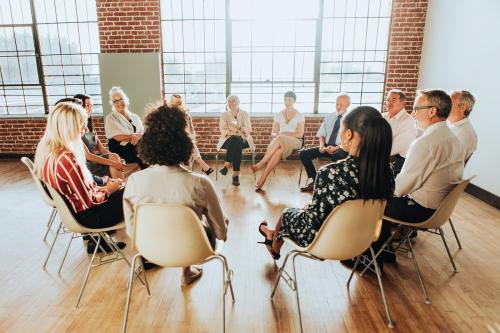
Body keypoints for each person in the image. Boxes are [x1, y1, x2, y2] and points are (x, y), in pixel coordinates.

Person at [258, 106, 394, 261]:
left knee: (286, 214)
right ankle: (271, 234)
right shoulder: (387, 172)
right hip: (363, 242)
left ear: (348, 134)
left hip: (327, 244)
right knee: (307, 207)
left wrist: (308, 208)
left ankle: (273, 246)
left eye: (342, 129)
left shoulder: (331, 173)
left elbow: (313, 221)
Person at [123, 103, 229, 285]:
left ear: (147, 144)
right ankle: (186, 272)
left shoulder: (134, 181)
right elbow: (220, 233)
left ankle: (185, 270)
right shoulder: (200, 183)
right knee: (215, 219)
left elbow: (132, 231)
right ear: (185, 144)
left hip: (150, 250)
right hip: (194, 250)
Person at [373, 89, 464, 264]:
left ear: (432, 111)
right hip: (440, 210)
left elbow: (399, 189)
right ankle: (384, 250)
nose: (413, 113)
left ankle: (375, 255)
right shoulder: (453, 138)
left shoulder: (425, 143)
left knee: (372, 199)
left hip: (421, 210)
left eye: (416, 108)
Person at [34, 101, 126, 253]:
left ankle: (100, 242)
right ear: (68, 127)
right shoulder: (67, 159)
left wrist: (104, 185)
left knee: (127, 190)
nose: (85, 129)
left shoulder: (49, 152)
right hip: (90, 218)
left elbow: (82, 190)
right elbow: (89, 202)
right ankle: (149, 251)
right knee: (135, 192)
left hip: (76, 214)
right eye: (82, 125)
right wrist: (109, 189)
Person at [252, 91, 305, 191]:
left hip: (295, 141)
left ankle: (261, 163)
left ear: (294, 101)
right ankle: (262, 179)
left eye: (289, 99)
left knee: (280, 138)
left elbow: (300, 134)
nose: (287, 101)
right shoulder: (278, 114)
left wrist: (283, 134)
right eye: (285, 99)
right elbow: (273, 132)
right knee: (278, 152)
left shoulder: (300, 115)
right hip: (280, 142)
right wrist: (278, 135)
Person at [299, 93, 350, 192]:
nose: (338, 107)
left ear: (348, 105)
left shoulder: (351, 119)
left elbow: (351, 140)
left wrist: (337, 147)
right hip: (326, 146)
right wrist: (322, 146)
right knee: (304, 154)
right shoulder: (329, 116)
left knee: (337, 157)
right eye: (337, 104)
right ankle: (315, 181)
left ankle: (335, 185)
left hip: (342, 147)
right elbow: (321, 134)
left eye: (341, 105)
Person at [74, 94, 126, 181]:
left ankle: (118, 187)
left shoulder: (90, 126)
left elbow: (102, 149)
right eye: (87, 105)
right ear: (79, 107)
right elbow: (88, 156)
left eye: (91, 106)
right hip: (84, 163)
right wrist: (114, 163)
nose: (91, 109)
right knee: (114, 161)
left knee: (114, 157)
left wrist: (118, 160)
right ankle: (120, 188)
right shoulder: (75, 129)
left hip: (92, 160)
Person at [169, 94, 214, 175]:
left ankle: (200, 167)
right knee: (190, 147)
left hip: (183, 138)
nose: (175, 104)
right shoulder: (170, 114)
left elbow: (190, 127)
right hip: (175, 139)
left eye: (177, 102)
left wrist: (192, 137)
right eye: (173, 101)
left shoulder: (184, 113)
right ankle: (204, 167)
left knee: (190, 147)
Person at [217, 95, 255, 186]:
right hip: (227, 140)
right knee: (235, 141)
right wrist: (236, 133)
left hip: (244, 140)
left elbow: (248, 130)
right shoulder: (224, 115)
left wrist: (239, 127)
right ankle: (235, 176)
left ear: (238, 102)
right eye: (229, 101)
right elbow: (223, 130)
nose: (231, 103)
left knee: (236, 140)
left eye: (233, 101)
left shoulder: (244, 114)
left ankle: (226, 165)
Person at [105, 87, 147, 169]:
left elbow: (142, 133)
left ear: (126, 100)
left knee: (147, 145)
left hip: (136, 146)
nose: (119, 103)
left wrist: (138, 137)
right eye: (115, 101)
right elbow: (118, 137)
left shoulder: (134, 116)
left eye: (121, 99)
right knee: (142, 152)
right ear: (112, 104)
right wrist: (133, 136)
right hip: (120, 149)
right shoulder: (111, 118)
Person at [382, 89, 418, 175]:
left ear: (403, 103)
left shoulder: (409, 121)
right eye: (387, 100)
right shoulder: (382, 116)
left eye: (393, 100)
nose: (389, 103)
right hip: (379, 155)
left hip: (395, 161)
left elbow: (396, 148)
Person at [447, 90, 477, 164]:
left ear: (462, 107)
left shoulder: (465, 134)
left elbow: (449, 165)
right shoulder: (452, 126)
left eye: (449, 103)